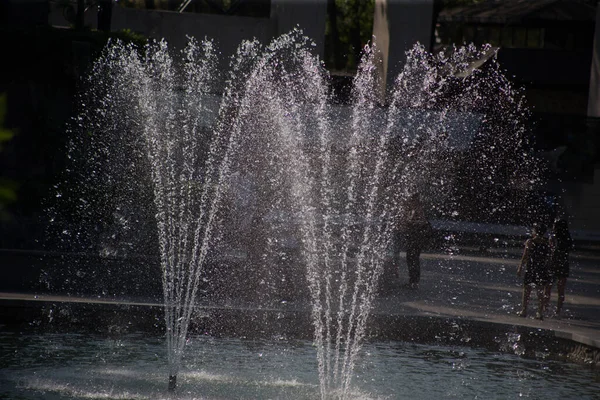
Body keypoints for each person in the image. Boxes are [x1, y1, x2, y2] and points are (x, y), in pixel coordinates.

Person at [517, 223, 551, 319]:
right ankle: (539, 313)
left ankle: (524, 310)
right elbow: (548, 258)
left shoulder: (530, 241)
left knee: (527, 290)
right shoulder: (547, 242)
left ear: (535, 231)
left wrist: (520, 268)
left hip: (531, 268)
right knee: (540, 291)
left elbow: (525, 256)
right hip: (542, 269)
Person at [398, 193, 431, 289]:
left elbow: (414, 221)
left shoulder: (416, 209)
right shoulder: (418, 207)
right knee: (413, 257)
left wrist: (405, 224)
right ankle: (414, 281)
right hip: (417, 235)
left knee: (412, 257)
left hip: (416, 235)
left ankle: (414, 282)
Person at [545, 218, 574, 317]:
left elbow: (551, 249)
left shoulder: (553, 237)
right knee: (561, 289)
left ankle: (545, 308)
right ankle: (558, 311)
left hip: (552, 263)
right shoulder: (567, 238)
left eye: (554, 225)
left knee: (548, 287)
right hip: (563, 264)